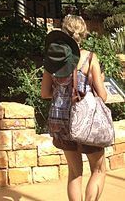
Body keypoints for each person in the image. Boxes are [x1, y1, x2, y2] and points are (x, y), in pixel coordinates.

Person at [41, 15, 108, 201]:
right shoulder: (90, 58)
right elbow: (102, 95)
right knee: (99, 169)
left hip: (60, 121)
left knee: (74, 173)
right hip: (87, 121)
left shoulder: (53, 60)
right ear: (83, 32)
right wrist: (98, 81)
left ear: (64, 33)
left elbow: (45, 93)